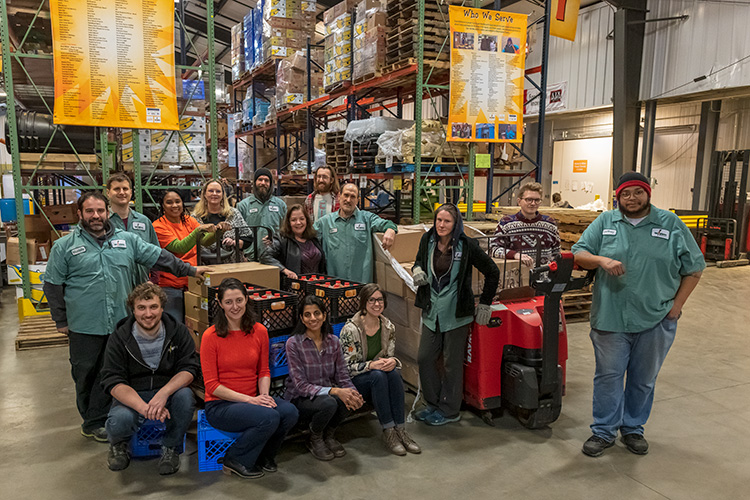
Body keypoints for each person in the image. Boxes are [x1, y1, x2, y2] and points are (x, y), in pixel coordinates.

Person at [43, 191, 209, 442]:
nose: (96, 216)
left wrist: (190, 270)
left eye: (100, 211)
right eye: (89, 211)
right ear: (80, 214)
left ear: (107, 212)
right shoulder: (64, 246)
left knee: (116, 372)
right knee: (86, 371)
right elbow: (53, 285)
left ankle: (116, 416)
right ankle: (92, 422)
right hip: (84, 323)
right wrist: (61, 320)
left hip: (120, 323)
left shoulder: (127, 240)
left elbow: (159, 256)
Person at [572, 172, 705, 458]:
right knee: (608, 376)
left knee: (643, 378)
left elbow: (694, 268)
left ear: (648, 194)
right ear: (617, 197)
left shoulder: (670, 224)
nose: (631, 199)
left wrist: (676, 307)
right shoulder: (606, 222)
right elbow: (579, 252)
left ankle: (633, 428)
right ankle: (603, 431)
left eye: (637, 192)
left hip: (656, 318)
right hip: (610, 317)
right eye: (625, 194)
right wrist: (601, 260)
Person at [200, 278, 299, 478]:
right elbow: (211, 386)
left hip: (253, 398)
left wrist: (263, 397)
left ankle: (265, 455)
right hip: (221, 405)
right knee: (269, 417)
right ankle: (235, 459)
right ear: (220, 304)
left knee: (289, 411)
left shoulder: (259, 331)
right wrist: (251, 401)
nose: (235, 307)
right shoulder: (210, 336)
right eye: (228, 302)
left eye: (239, 300)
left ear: (246, 299)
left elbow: (263, 371)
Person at [412, 204, 499, 426]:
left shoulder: (466, 245)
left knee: (452, 363)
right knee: (425, 357)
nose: (441, 225)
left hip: (456, 314)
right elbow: (419, 261)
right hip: (432, 311)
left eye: (447, 221)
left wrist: (485, 304)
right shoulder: (427, 240)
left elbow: (492, 271)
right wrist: (417, 270)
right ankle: (432, 404)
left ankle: (450, 410)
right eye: (438, 220)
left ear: (455, 223)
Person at [100, 283, 199, 474]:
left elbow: (189, 368)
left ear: (162, 307)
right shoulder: (119, 338)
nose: (148, 314)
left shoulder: (177, 332)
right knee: (120, 419)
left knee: (185, 397)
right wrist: (144, 408)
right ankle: (118, 444)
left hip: (167, 392)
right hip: (133, 395)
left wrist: (164, 393)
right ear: (133, 309)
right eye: (141, 308)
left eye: (153, 307)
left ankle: (171, 446)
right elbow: (113, 380)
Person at [339, 284, 421, 456]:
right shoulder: (350, 330)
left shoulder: (388, 326)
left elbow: (389, 356)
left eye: (380, 300)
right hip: (357, 380)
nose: (377, 304)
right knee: (377, 375)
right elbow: (346, 367)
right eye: (372, 300)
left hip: (380, 379)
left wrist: (393, 361)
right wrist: (370, 365)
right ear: (364, 303)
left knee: (393, 373)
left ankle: (401, 429)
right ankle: (389, 431)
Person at [285, 295, 364, 461]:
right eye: (307, 314)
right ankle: (315, 437)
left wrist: (354, 394)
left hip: (326, 395)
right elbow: (300, 385)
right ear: (301, 318)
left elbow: (343, 376)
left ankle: (329, 434)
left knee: (347, 398)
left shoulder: (333, 341)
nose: (313, 318)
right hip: (301, 399)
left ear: (324, 315)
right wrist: (334, 391)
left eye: (317, 313)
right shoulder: (294, 343)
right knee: (331, 401)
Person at [153, 189, 219, 322]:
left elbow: (204, 241)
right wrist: (198, 231)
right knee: (175, 324)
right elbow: (179, 248)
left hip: (192, 282)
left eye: (178, 201)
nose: (175, 205)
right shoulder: (158, 226)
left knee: (195, 323)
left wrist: (219, 232)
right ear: (162, 206)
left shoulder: (189, 221)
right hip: (170, 285)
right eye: (169, 202)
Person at [314, 182, 397, 283]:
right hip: (335, 286)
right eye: (346, 195)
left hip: (362, 285)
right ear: (339, 196)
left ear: (357, 200)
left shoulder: (367, 219)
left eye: (353, 197)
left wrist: (390, 230)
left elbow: (387, 224)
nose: (348, 200)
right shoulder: (325, 222)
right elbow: (307, 234)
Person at [106, 172, 159, 286]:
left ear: (131, 192)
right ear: (108, 193)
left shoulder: (143, 221)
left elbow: (155, 252)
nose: (121, 192)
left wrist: (153, 280)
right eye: (116, 189)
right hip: (114, 286)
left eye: (125, 189)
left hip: (142, 284)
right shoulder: (103, 222)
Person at [490, 182, 561, 267]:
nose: (533, 203)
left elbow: (557, 253)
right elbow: (493, 249)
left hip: (544, 277)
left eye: (537, 200)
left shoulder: (550, 223)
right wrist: (515, 255)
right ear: (519, 201)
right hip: (517, 276)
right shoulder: (506, 223)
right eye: (529, 199)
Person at [193, 179, 253, 264]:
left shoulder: (233, 214)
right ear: (204, 194)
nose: (214, 194)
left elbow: (248, 238)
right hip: (204, 266)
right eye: (210, 191)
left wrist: (234, 242)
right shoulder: (195, 217)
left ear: (223, 195)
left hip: (232, 266)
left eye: (218, 191)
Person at [260, 204, 326, 280]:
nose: (298, 223)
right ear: (288, 222)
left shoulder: (313, 238)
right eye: (293, 220)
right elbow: (265, 256)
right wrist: (284, 270)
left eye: (302, 219)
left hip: (316, 285)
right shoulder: (281, 239)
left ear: (307, 220)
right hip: (294, 286)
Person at [237, 168, 287, 260]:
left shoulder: (280, 205)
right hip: (250, 258)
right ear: (255, 182)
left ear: (271, 184)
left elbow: (286, 231)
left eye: (266, 180)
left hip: (275, 257)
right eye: (260, 179)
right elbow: (238, 233)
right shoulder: (243, 206)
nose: (263, 183)